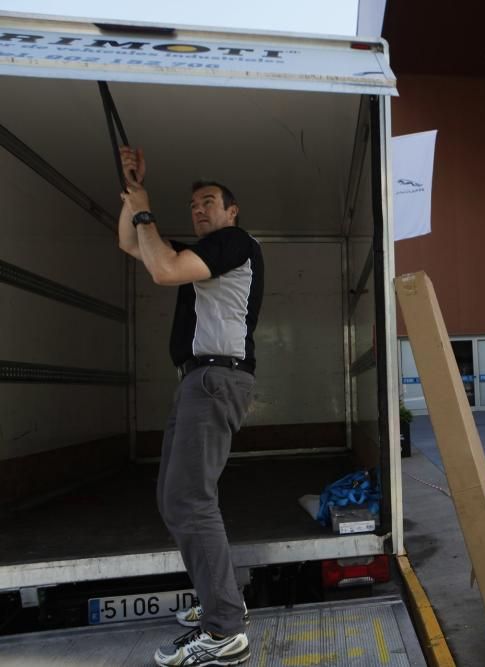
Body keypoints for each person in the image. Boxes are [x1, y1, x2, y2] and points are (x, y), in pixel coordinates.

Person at [117, 147, 264, 667]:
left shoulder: (234, 243)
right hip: (197, 380)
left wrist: (145, 209)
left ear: (232, 211)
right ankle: (221, 605)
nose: (200, 210)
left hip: (215, 379)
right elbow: (131, 243)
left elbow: (162, 270)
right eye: (195, 205)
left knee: (190, 500)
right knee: (174, 497)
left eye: (210, 202)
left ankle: (224, 630)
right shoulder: (204, 251)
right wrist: (132, 189)